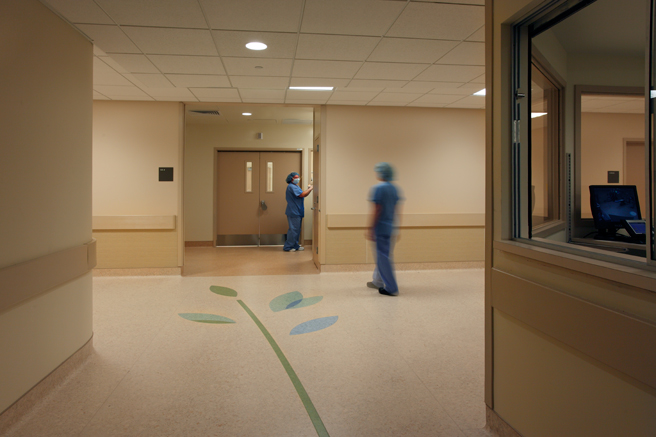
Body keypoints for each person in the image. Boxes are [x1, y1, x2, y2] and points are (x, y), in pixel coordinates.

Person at [366, 162, 402, 296]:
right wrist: (398, 226)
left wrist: (370, 227)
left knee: (383, 258)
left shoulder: (378, 188)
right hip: (391, 226)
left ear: (381, 173)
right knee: (384, 256)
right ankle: (378, 281)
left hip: (381, 228)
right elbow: (397, 209)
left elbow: (377, 209)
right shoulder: (394, 189)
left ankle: (391, 288)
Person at [284, 172, 313, 252]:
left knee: (296, 230)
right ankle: (288, 247)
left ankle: (295, 245)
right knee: (293, 230)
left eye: (298, 177)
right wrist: (310, 189)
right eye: (296, 177)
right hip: (293, 211)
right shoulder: (291, 186)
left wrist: (309, 189)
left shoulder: (295, 186)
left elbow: (303, 194)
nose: (297, 179)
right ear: (291, 178)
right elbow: (302, 194)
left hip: (297, 211)